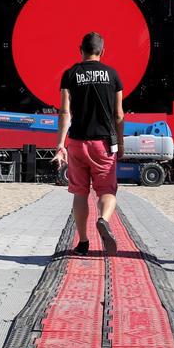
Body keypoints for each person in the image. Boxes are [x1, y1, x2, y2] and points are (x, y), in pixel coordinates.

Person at [54, 32, 124, 256]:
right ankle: (103, 219)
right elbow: (119, 114)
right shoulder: (113, 75)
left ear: (80, 49)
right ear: (102, 51)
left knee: (80, 193)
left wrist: (60, 144)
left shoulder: (70, 74)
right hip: (103, 143)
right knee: (107, 190)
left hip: (77, 142)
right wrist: (120, 143)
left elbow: (65, 112)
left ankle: (83, 242)